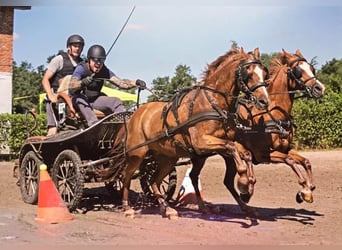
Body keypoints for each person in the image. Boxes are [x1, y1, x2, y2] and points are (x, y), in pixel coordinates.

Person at [69, 44, 146, 127]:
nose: (98, 63)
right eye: (95, 59)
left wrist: (136, 82)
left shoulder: (104, 70)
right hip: (78, 99)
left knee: (115, 101)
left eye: (101, 60)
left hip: (94, 100)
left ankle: (125, 125)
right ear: (89, 59)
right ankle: (95, 125)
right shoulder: (81, 68)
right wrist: (82, 82)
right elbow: (71, 85)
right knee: (80, 98)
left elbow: (120, 83)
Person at [41, 34, 85, 135]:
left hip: (71, 100)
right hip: (56, 99)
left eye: (80, 46)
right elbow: (45, 80)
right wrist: (51, 96)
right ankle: (47, 150)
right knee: (53, 128)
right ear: (69, 47)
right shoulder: (59, 60)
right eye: (75, 46)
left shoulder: (82, 64)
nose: (77, 49)